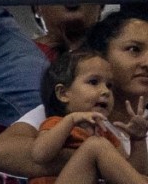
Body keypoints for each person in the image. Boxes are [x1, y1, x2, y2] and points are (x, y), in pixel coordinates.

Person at [0, 13, 148, 180]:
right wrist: (96, 158)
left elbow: (134, 172)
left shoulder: (119, 130)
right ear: (100, 56)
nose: (147, 62)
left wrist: (137, 141)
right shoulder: (65, 109)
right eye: (134, 49)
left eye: (107, 85)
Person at [28, 48, 148, 184]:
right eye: (93, 82)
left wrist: (138, 139)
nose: (105, 91)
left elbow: (131, 175)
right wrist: (71, 120)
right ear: (63, 93)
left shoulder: (105, 134)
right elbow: (39, 155)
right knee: (95, 146)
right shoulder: (57, 123)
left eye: (109, 85)